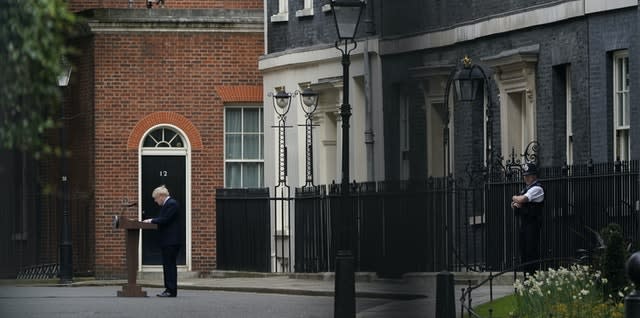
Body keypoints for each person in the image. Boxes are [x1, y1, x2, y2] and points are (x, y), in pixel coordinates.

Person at [143, 185, 181, 297]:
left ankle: (170, 290)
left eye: (155, 198)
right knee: (168, 265)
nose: (155, 201)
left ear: (161, 196)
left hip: (171, 241)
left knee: (169, 266)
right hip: (169, 241)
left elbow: (165, 220)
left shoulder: (171, 204)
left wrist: (151, 220)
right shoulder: (169, 204)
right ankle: (169, 289)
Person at [510, 162, 544, 276]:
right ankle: (527, 278)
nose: (525, 178)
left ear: (534, 176)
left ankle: (532, 277)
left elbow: (522, 199)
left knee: (531, 252)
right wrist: (516, 202)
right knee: (523, 252)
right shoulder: (526, 189)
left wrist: (515, 198)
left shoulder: (537, 189)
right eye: (525, 176)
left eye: (528, 176)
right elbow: (515, 205)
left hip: (532, 225)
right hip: (524, 225)